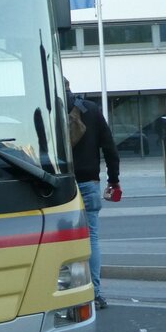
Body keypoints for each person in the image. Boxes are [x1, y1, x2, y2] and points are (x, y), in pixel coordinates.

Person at [66, 79, 121, 310]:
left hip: (58, 186)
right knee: (92, 239)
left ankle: (69, 292)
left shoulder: (47, 110)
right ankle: (95, 293)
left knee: (63, 244)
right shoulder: (92, 110)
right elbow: (109, 148)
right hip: (89, 183)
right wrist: (113, 180)